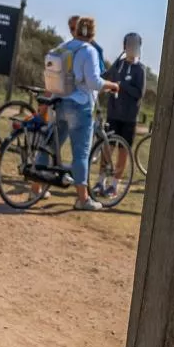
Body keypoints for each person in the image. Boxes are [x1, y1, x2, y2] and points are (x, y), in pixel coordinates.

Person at [54, 16, 118, 210]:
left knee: (51, 145)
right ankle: (82, 199)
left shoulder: (64, 47)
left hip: (61, 101)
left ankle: (36, 186)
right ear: (92, 33)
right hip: (80, 105)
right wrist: (112, 85)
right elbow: (94, 82)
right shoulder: (89, 51)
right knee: (81, 153)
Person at [100, 32, 147, 197]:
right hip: (113, 114)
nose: (132, 48)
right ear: (124, 46)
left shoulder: (140, 69)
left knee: (123, 151)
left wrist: (123, 85)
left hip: (129, 118)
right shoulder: (118, 65)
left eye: (135, 45)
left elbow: (138, 93)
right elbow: (104, 78)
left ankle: (114, 185)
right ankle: (101, 181)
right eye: (129, 44)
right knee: (107, 147)